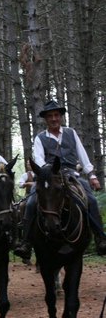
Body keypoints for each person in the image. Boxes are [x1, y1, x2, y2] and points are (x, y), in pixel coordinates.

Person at [14, 100, 106, 258]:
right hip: (48, 177)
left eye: (56, 115)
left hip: (71, 175)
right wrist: (48, 172)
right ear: (46, 119)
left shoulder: (71, 133)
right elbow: (39, 159)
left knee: (91, 200)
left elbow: (82, 154)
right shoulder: (40, 138)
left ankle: (100, 238)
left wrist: (91, 174)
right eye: (50, 116)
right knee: (30, 203)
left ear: (61, 117)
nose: (54, 118)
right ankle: (26, 243)